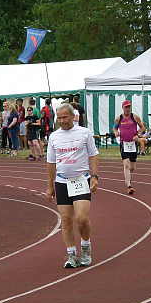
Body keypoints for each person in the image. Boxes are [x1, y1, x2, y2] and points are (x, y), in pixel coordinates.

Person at [46, 104, 99, 268]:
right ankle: (71, 255)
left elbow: (93, 155)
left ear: (72, 116)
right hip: (62, 182)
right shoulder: (54, 137)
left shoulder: (84, 133)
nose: (62, 121)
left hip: (81, 180)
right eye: (59, 118)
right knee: (66, 220)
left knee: (82, 218)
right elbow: (51, 162)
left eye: (65, 117)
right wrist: (50, 185)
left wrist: (95, 176)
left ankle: (85, 246)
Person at [113, 100, 145, 195]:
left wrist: (138, 135)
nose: (127, 109)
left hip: (133, 144)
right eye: (126, 107)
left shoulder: (135, 117)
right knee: (126, 165)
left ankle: (128, 177)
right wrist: (116, 132)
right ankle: (129, 185)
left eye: (129, 107)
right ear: (123, 108)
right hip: (124, 143)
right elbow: (115, 127)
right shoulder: (119, 118)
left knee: (132, 167)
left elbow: (142, 127)